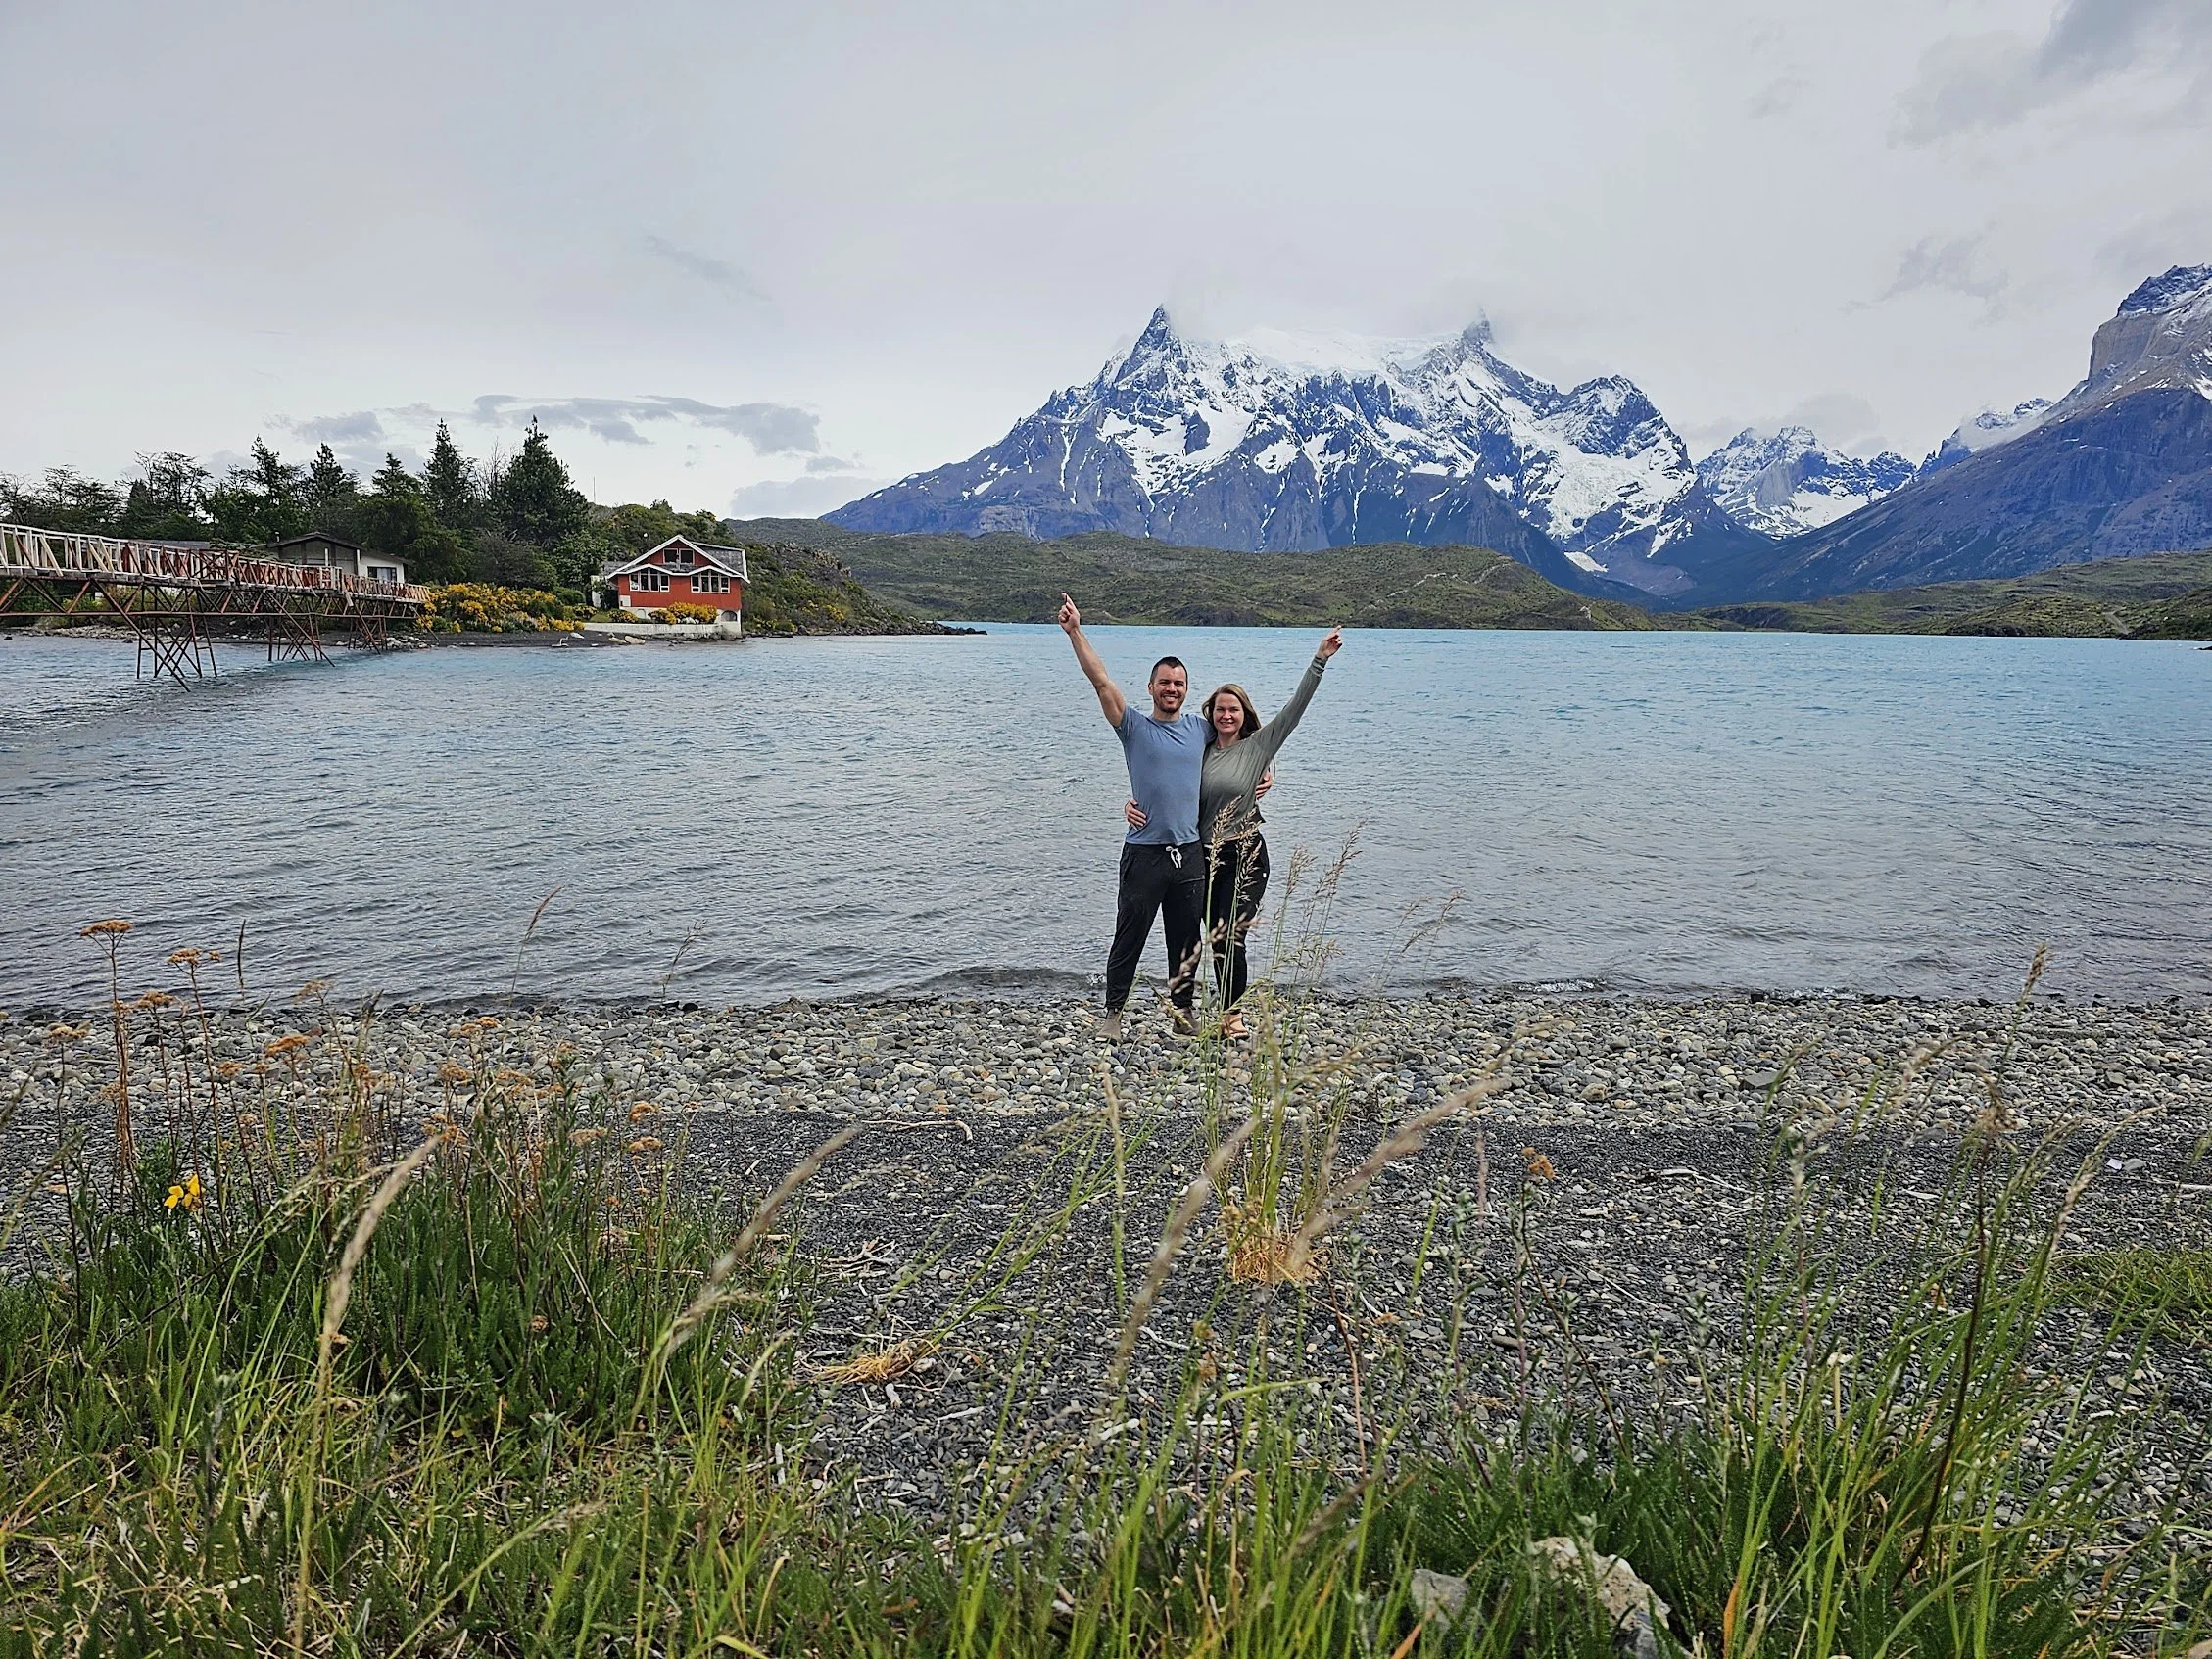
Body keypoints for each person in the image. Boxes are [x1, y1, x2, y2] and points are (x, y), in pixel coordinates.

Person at [1126, 628, 1343, 1037]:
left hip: (1245, 854)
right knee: (1204, 934)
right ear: (1211, 714)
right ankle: (1186, 1008)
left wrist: (1320, 660)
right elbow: (1165, 777)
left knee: (1229, 935)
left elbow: (1296, 707)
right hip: (1202, 857)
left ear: (1245, 715)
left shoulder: (1260, 747)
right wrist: (1131, 804)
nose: (1227, 716)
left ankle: (1232, 1017)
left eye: (1234, 710)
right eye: (1220, 710)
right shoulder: (1200, 747)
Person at [1058, 592, 1208, 1038]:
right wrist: (1075, 632)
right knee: (1129, 936)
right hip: (1144, 853)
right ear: (1151, 687)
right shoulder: (1134, 727)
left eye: (1179, 683)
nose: (1171, 689)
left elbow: (1247, 742)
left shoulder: (1201, 729)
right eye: (1164, 682)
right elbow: (1102, 681)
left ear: (1186, 688)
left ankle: (1182, 1014)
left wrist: (1268, 773)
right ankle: (1113, 1016)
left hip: (1189, 854)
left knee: (1187, 944)